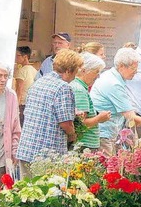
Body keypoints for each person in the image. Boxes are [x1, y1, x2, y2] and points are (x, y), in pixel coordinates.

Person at [16, 49, 82, 179]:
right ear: (69, 71)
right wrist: (74, 135)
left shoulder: (40, 82)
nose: (76, 75)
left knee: (26, 193)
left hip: (27, 149)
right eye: (76, 71)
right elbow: (65, 123)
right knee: (47, 194)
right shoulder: (63, 87)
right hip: (47, 155)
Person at [92, 47, 141, 155]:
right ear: (122, 66)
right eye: (133, 68)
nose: (136, 72)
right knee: (108, 168)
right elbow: (132, 117)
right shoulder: (114, 84)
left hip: (110, 133)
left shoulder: (111, 76)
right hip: (105, 135)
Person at [69, 52, 111, 151]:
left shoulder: (78, 86)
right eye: (96, 72)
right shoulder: (79, 89)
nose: (98, 76)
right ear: (84, 70)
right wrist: (99, 118)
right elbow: (80, 123)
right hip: (84, 144)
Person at [14, 46, 37, 125]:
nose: (16, 57)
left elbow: (19, 90)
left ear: (25, 57)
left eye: (18, 55)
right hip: (31, 103)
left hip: (22, 104)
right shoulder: (34, 70)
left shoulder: (21, 71)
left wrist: (16, 106)